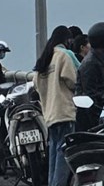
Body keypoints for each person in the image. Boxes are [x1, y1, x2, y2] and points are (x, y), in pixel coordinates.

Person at [33, 26, 77, 186]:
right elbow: (72, 81)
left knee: (53, 154)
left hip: (49, 115)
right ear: (67, 40)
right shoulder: (63, 56)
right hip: (64, 111)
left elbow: (36, 85)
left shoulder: (44, 59)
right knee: (64, 154)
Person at [75, 21, 104, 131]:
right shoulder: (91, 63)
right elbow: (90, 95)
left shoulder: (99, 59)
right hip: (90, 121)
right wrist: (100, 121)